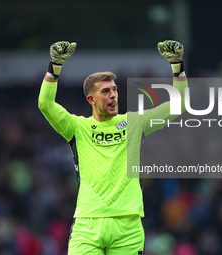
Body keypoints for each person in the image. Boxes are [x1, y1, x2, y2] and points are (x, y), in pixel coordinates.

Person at [38, 40, 188, 255]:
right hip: (87, 226)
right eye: (106, 91)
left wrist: (177, 65)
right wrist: (55, 66)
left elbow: (180, 103)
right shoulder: (76, 127)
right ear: (91, 99)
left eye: (115, 90)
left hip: (128, 227)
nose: (113, 95)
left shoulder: (136, 123)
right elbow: (45, 104)